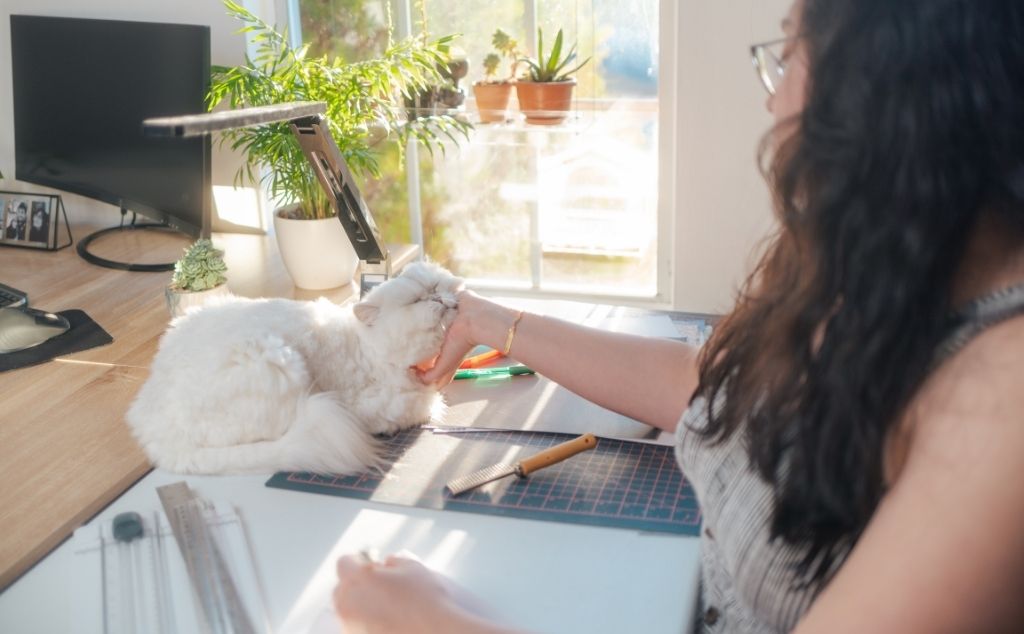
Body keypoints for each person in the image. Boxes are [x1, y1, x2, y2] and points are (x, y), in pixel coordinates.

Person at [333, 0, 1024, 631]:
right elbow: (706, 382)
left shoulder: (1005, 396)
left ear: (884, 80)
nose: (774, 97)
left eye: (789, 54)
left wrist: (439, 623)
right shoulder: (879, 258)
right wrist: (486, 319)